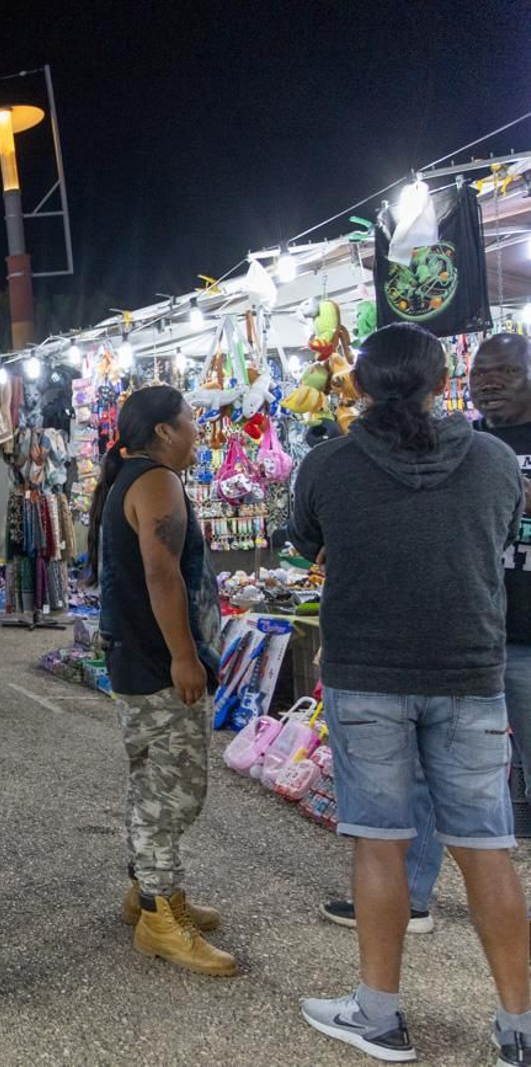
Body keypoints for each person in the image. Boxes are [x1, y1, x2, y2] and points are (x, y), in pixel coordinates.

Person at [293, 323, 529, 1065]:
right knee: (488, 849)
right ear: (441, 382)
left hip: (368, 675)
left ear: (356, 387)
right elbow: (499, 537)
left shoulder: (328, 464)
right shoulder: (494, 462)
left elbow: (307, 540)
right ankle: (521, 1027)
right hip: (468, 673)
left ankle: (381, 1014)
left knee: (380, 841)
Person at [85, 384, 234, 978]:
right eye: (191, 421)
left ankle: (152, 892)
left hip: (139, 657)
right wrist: (184, 656)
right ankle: (158, 916)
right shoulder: (155, 481)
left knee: (154, 780)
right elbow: (161, 572)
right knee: (173, 790)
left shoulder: (137, 477)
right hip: (155, 661)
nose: (198, 430)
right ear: (165, 432)